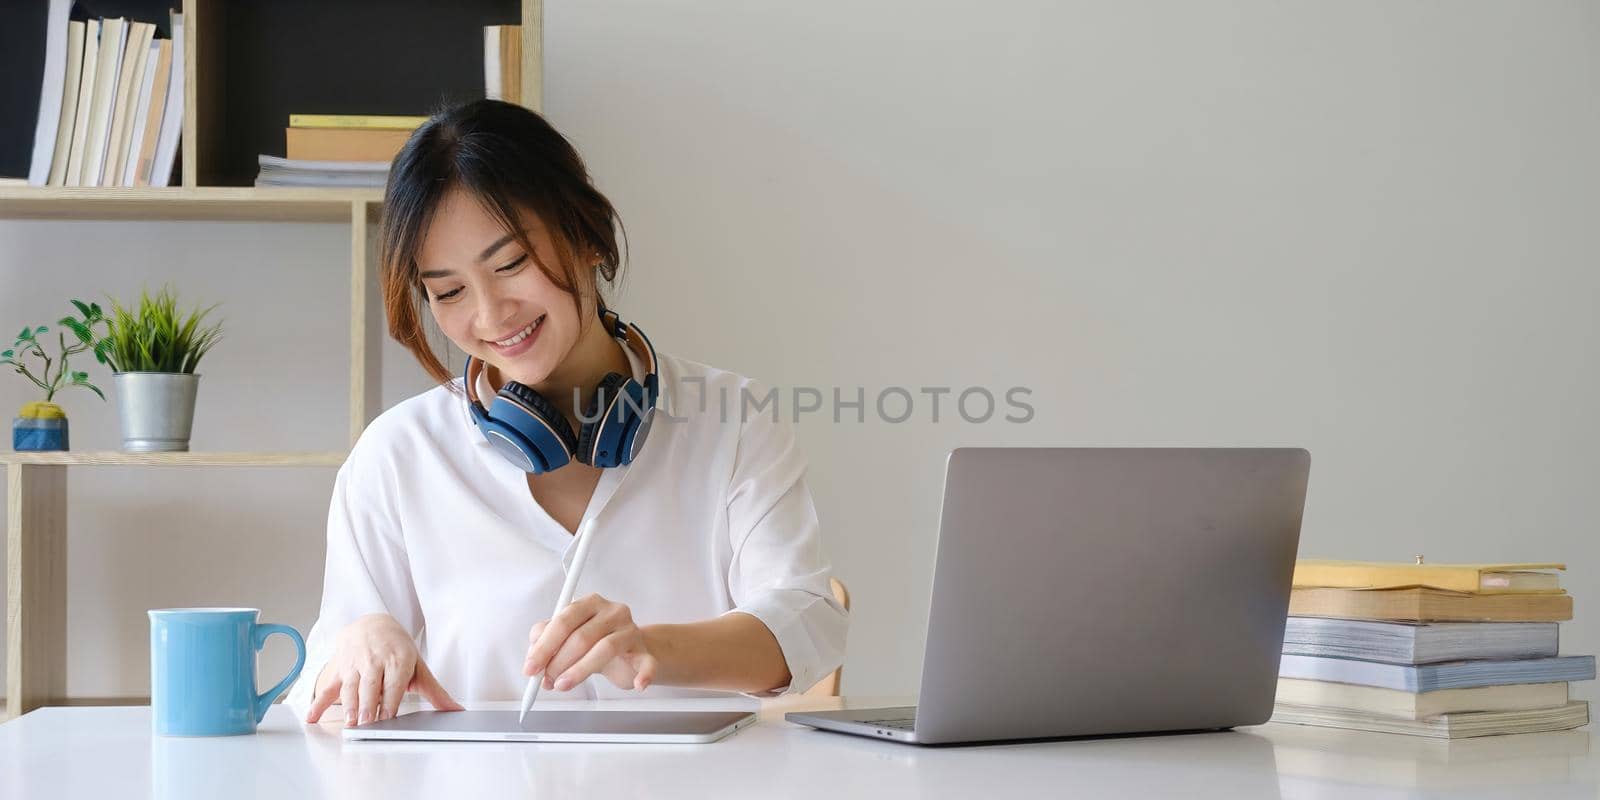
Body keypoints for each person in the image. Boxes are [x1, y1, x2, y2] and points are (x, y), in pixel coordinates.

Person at [284, 99, 848, 727]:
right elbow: (317, 700)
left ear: (583, 235)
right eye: (449, 292)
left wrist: (654, 649)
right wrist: (360, 641)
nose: (492, 314)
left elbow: (809, 625)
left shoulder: (733, 419)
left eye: (511, 264)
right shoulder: (398, 455)